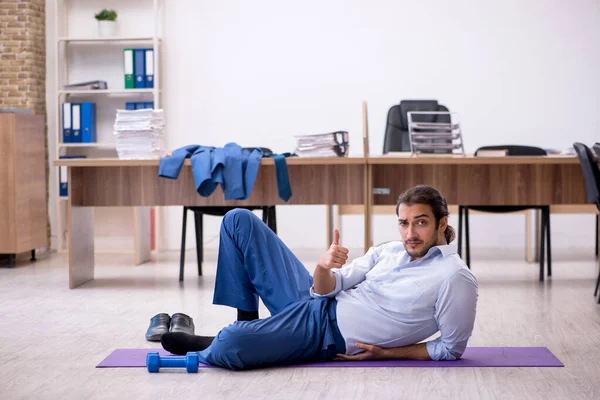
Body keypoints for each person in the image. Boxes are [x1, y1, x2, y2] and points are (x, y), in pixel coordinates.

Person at [161, 185, 478, 370]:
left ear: (442, 222)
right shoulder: (389, 250)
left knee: (230, 344)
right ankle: (250, 323)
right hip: (314, 300)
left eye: (420, 223)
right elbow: (329, 287)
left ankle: (230, 339)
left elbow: (450, 348)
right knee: (237, 220)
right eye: (404, 223)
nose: (410, 234)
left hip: (324, 333)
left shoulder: (455, 277)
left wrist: (387, 353)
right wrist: (325, 267)